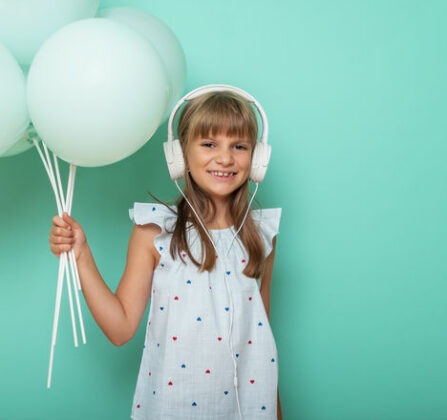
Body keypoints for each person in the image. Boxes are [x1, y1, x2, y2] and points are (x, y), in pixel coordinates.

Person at [48, 86, 282, 419]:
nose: (226, 158)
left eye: (239, 146)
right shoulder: (155, 231)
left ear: (257, 159)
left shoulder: (261, 235)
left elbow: (261, 348)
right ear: (179, 155)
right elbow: (120, 329)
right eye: (209, 144)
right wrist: (82, 254)